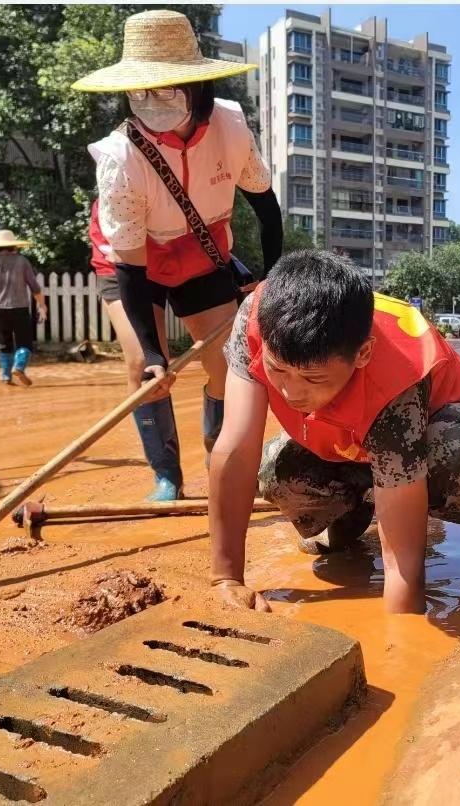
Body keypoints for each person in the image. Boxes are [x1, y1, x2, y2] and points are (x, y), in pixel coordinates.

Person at [207, 251, 460, 614]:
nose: (290, 392)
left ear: (362, 354)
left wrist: (401, 643)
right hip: (350, 443)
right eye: (277, 370)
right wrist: (227, 579)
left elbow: (402, 567)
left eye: (313, 379)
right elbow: (236, 448)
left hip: (432, 431)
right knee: (277, 471)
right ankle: (349, 516)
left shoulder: (396, 375)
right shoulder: (257, 315)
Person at [73, 10, 283, 501]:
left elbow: (266, 210)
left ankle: (219, 456)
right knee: (146, 373)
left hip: (202, 254)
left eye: (167, 89)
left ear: (197, 87)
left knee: (225, 366)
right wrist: (152, 354)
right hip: (132, 261)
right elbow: (129, 266)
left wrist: (271, 278)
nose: (153, 103)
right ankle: (166, 476)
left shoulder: (231, 128)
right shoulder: (119, 159)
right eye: (141, 92)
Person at [0, 229, 48, 386]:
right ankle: (19, 366)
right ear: (15, 245)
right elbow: (34, 286)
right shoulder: (22, 261)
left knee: (4, 342)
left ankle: (6, 375)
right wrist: (42, 305)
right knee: (24, 342)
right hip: (20, 308)